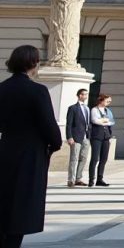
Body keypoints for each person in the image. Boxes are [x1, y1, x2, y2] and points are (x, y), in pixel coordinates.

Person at [0, 45, 62, 248]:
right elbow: (49, 125)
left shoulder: (2, 88)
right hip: (31, 154)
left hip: (6, 149)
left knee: (4, 201)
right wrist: (55, 144)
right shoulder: (37, 91)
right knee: (22, 206)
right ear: (34, 64)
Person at [65, 88, 91, 188]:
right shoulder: (73, 108)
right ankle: (70, 179)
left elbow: (88, 123)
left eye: (86, 94)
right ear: (80, 95)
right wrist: (69, 137)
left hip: (86, 136)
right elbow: (69, 124)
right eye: (84, 94)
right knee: (74, 158)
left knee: (83, 158)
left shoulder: (87, 108)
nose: (86, 96)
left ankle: (78, 178)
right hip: (76, 136)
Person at [88, 93, 115, 187]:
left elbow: (112, 121)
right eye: (107, 101)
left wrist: (103, 121)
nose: (109, 103)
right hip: (96, 136)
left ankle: (100, 178)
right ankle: (91, 179)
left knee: (104, 158)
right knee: (95, 158)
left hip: (106, 136)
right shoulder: (94, 110)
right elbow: (94, 120)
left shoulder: (108, 111)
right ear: (101, 100)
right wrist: (105, 121)